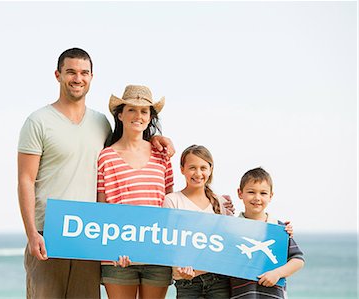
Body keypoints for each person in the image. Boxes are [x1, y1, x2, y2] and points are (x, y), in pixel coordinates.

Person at [17, 48, 174, 299]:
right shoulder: (39, 121)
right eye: (71, 72)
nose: (77, 78)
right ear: (58, 75)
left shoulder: (100, 123)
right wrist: (32, 233)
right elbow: (25, 179)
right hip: (49, 233)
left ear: (91, 77)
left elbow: (131, 139)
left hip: (89, 235)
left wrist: (156, 137)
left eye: (83, 73)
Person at [97, 85, 174, 299]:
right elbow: (102, 208)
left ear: (150, 117)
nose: (138, 116)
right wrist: (111, 248)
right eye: (131, 109)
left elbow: (170, 205)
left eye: (144, 111)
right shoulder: (106, 157)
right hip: (119, 256)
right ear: (120, 114)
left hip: (156, 254)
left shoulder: (162, 156)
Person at [163, 145, 232, 298]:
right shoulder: (172, 201)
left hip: (218, 281)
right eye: (192, 167)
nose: (198, 173)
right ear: (182, 169)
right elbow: (169, 242)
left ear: (210, 169)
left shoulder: (220, 202)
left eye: (203, 168)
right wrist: (181, 268)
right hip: (187, 283)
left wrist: (283, 229)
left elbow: (231, 239)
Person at [230, 167, 305, 299]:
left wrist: (277, 273)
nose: (257, 198)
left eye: (263, 193)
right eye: (251, 192)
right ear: (240, 193)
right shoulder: (231, 229)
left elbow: (298, 260)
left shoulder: (279, 228)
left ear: (271, 196)